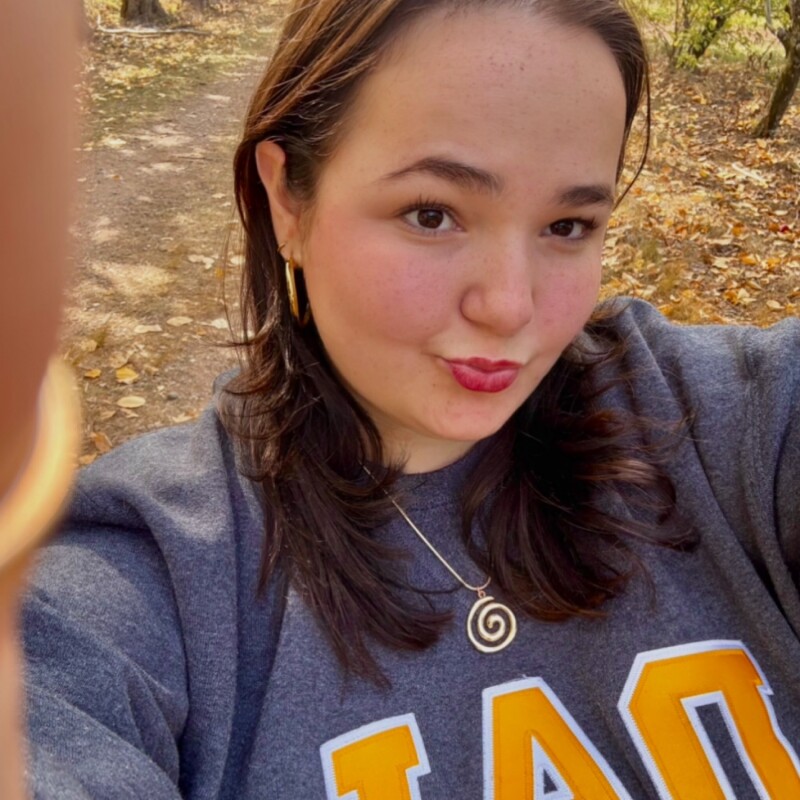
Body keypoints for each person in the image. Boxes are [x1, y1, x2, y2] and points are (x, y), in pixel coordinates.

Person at [15, 0, 800, 797]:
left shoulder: (726, 433)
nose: (509, 307)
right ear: (287, 199)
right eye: (433, 215)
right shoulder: (147, 575)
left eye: (568, 225)